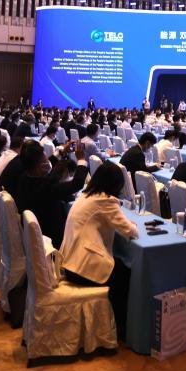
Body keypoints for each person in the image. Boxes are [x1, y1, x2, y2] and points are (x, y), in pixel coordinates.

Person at [59, 163, 138, 337]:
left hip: (70, 263)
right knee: (126, 274)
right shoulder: (105, 200)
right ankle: (122, 329)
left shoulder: (86, 195)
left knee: (120, 267)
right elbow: (131, 232)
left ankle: (117, 325)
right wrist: (132, 225)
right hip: (83, 268)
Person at [15, 142, 87, 248]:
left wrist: (62, 152)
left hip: (37, 233)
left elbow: (47, 175)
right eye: (45, 159)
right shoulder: (47, 188)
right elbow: (77, 184)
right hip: (53, 242)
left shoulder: (25, 177)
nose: (48, 161)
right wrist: (81, 159)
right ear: (42, 166)